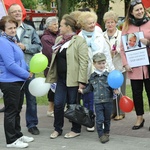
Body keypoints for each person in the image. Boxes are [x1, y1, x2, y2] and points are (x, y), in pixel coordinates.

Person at [45, 14, 89, 139]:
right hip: (61, 79)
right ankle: (57, 129)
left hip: (74, 80)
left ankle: (76, 129)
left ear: (68, 27)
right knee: (58, 104)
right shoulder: (59, 40)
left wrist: (82, 81)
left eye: (61, 25)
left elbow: (83, 62)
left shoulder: (79, 40)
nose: (59, 27)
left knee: (72, 105)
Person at [8, 4, 42, 135]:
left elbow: (38, 46)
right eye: (14, 11)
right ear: (9, 14)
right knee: (15, 100)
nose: (17, 13)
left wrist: (25, 47)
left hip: (29, 69)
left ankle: (32, 124)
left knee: (31, 98)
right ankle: (14, 127)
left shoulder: (29, 29)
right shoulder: (4, 31)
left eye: (18, 11)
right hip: (12, 71)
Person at [0, 16, 34, 148]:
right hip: (9, 81)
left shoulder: (12, 40)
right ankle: (11, 140)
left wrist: (28, 69)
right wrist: (26, 74)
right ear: (3, 29)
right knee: (11, 111)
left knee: (17, 109)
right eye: (10, 28)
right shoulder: (3, 42)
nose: (13, 30)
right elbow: (10, 64)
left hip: (17, 80)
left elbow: (20, 60)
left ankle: (18, 135)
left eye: (14, 27)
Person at [77, 11, 115, 131]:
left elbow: (106, 53)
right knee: (88, 98)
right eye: (89, 23)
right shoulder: (79, 37)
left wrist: (111, 69)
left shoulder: (99, 33)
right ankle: (90, 120)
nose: (92, 25)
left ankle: (101, 120)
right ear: (83, 25)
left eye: (93, 22)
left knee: (102, 98)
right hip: (87, 72)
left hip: (101, 71)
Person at [120, 0, 150, 130]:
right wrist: (125, 64)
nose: (140, 12)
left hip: (149, 66)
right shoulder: (126, 27)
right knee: (137, 93)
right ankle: (139, 117)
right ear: (131, 12)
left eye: (141, 9)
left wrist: (148, 42)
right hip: (135, 67)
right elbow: (122, 48)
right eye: (137, 10)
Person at [78, 53, 119, 143]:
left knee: (107, 119)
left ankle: (106, 132)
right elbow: (90, 88)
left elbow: (113, 86)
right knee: (100, 119)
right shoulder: (92, 77)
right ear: (94, 64)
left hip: (108, 101)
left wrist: (115, 90)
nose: (101, 65)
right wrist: (83, 91)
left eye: (103, 63)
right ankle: (101, 135)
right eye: (99, 63)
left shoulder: (109, 76)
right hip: (98, 102)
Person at [103, 10, 126, 121]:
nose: (110, 24)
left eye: (112, 22)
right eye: (108, 22)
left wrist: (116, 50)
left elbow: (125, 49)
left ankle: (121, 111)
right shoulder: (102, 36)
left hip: (119, 66)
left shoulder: (121, 35)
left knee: (120, 90)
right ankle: (113, 111)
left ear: (116, 23)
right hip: (107, 67)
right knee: (110, 90)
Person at [41, 16, 59, 117]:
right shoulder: (45, 38)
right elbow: (49, 53)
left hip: (60, 66)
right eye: (54, 24)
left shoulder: (60, 35)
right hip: (51, 67)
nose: (57, 26)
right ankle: (50, 109)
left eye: (57, 24)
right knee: (52, 88)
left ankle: (59, 107)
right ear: (48, 27)